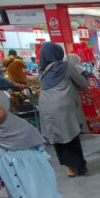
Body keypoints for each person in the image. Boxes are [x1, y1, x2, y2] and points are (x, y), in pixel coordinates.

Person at [38, 42, 89, 178]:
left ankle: (70, 168)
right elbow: (83, 84)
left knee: (57, 138)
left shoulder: (42, 70)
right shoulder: (66, 66)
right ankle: (78, 166)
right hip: (63, 106)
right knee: (71, 136)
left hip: (45, 106)